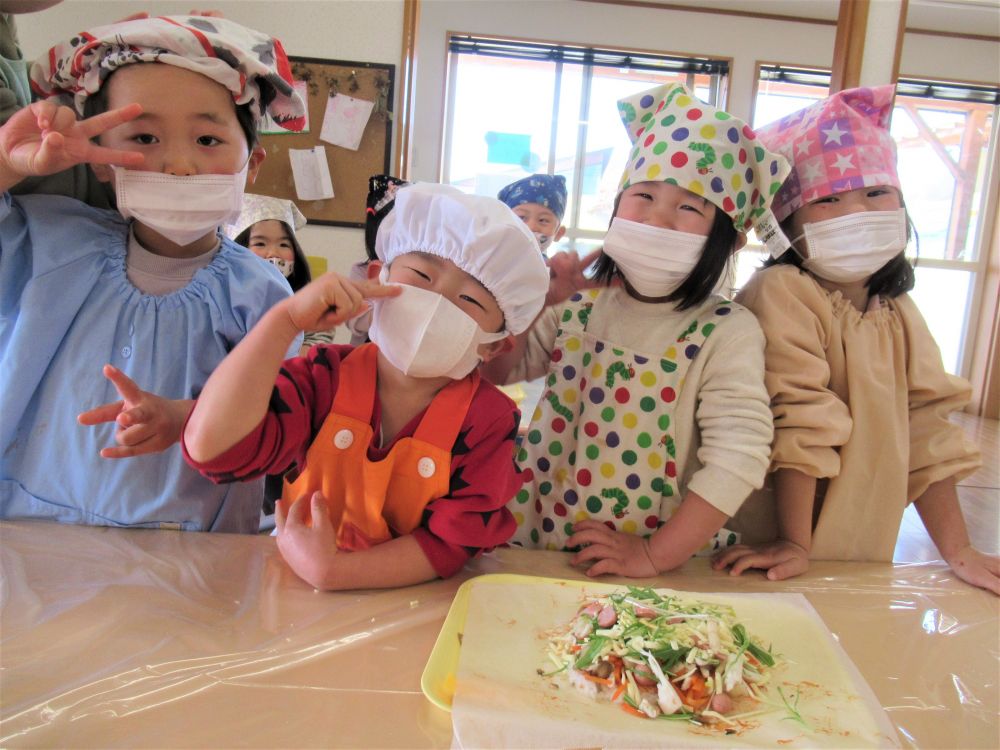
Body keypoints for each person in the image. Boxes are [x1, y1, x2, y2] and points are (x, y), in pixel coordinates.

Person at [0, 15, 306, 532]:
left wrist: (182, 417)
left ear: (251, 164)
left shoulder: (261, 297)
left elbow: (274, 421)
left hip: (188, 548)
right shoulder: (50, 245)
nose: (178, 165)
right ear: (100, 161)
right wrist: (8, 162)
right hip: (33, 533)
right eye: (144, 137)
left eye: (208, 140)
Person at [483, 82, 790, 578]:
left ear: (728, 242)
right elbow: (499, 371)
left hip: (658, 562)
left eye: (689, 207)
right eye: (643, 195)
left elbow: (738, 458)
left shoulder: (727, 332)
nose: (658, 218)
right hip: (539, 536)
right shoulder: (578, 302)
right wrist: (534, 306)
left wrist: (654, 554)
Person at [182, 183, 550, 589]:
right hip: (291, 595)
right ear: (378, 277)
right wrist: (282, 321)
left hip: (412, 606)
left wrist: (336, 571)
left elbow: (450, 541)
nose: (438, 302)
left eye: (470, 300)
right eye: (423, 276)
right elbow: (215, 449)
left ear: (494, 345)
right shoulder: (322, 379)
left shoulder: (488, 421)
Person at [712, 86, 997, 594]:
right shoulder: (782, 290)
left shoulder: (900, 312)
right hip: (770, 544)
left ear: (902, 207)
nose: (855, 212)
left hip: (860, 545)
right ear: (786, 222)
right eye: (828, 200)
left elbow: (927, 429)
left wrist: (959, 551)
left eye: (875, 194)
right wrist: (796, 542)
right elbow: (799, 416)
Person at [228, 193, 332, 354]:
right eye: (260, 243)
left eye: (283, 244)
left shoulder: (308, 301)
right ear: (237, 248)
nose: (273, 253)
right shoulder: (222, 299)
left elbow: (315, 342)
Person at [498, 173, 567, 253]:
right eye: (521, 217)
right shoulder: (489, 260)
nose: (531, 227)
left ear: (558, 233)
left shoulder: (551, 265)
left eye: (543, 220)